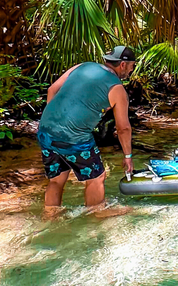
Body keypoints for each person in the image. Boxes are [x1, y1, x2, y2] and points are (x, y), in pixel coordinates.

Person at [37, 45, 138, 219]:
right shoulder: (117, 88)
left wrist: (54, 120)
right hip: (74, 137)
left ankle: (50, 217)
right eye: (131, 66)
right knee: (97, 178)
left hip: (45, 130)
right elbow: (123, 128)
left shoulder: (82, 66)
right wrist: (128, 156)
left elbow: (52, 89)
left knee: (57, 179)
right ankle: (96, 215)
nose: (131, 71)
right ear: (123, 64)